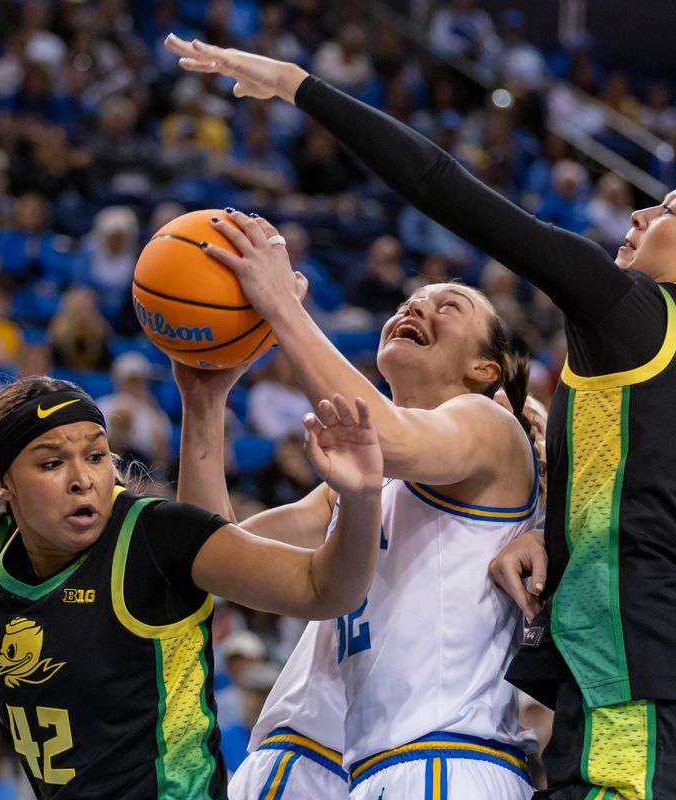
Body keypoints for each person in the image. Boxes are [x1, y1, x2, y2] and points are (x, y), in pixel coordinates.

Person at [165, 33, 676, 799]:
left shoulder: (643, 314)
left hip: (638, 702)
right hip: (634, 696)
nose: (637, 213)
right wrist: (546, 532)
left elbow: (444, 186)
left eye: (668, 209)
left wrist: (301, 85)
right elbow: (645, 523)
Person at [0, 279, 385, 798]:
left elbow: (322, 587)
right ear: (5, 484)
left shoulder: (153, 535)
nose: (85, 479)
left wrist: (358, 498)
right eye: (52, 463)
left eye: (97, 455)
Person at [173, 223, 539, 798]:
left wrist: (280, 307)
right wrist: (205, 402)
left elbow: (387, 435)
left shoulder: (492, 427)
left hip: (445, 759)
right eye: (411, 300)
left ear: (484, 370)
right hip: (362, 762)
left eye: (449, 306)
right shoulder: (358, 484)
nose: (420, 306)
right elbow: (210, 556)